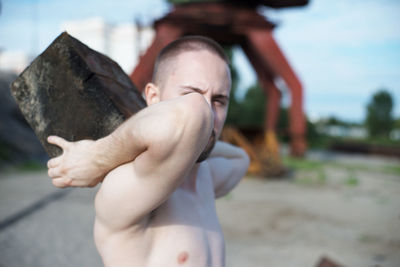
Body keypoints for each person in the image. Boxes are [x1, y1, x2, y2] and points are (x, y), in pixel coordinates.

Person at [47, 36, 249, 267]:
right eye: (192, 92)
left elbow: (241, 158)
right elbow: (191, 116)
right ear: (153, 97)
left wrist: (201, 144)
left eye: (219, 100)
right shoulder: (132, 185)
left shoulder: (206, 177)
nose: (210, 112)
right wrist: (99, 157)